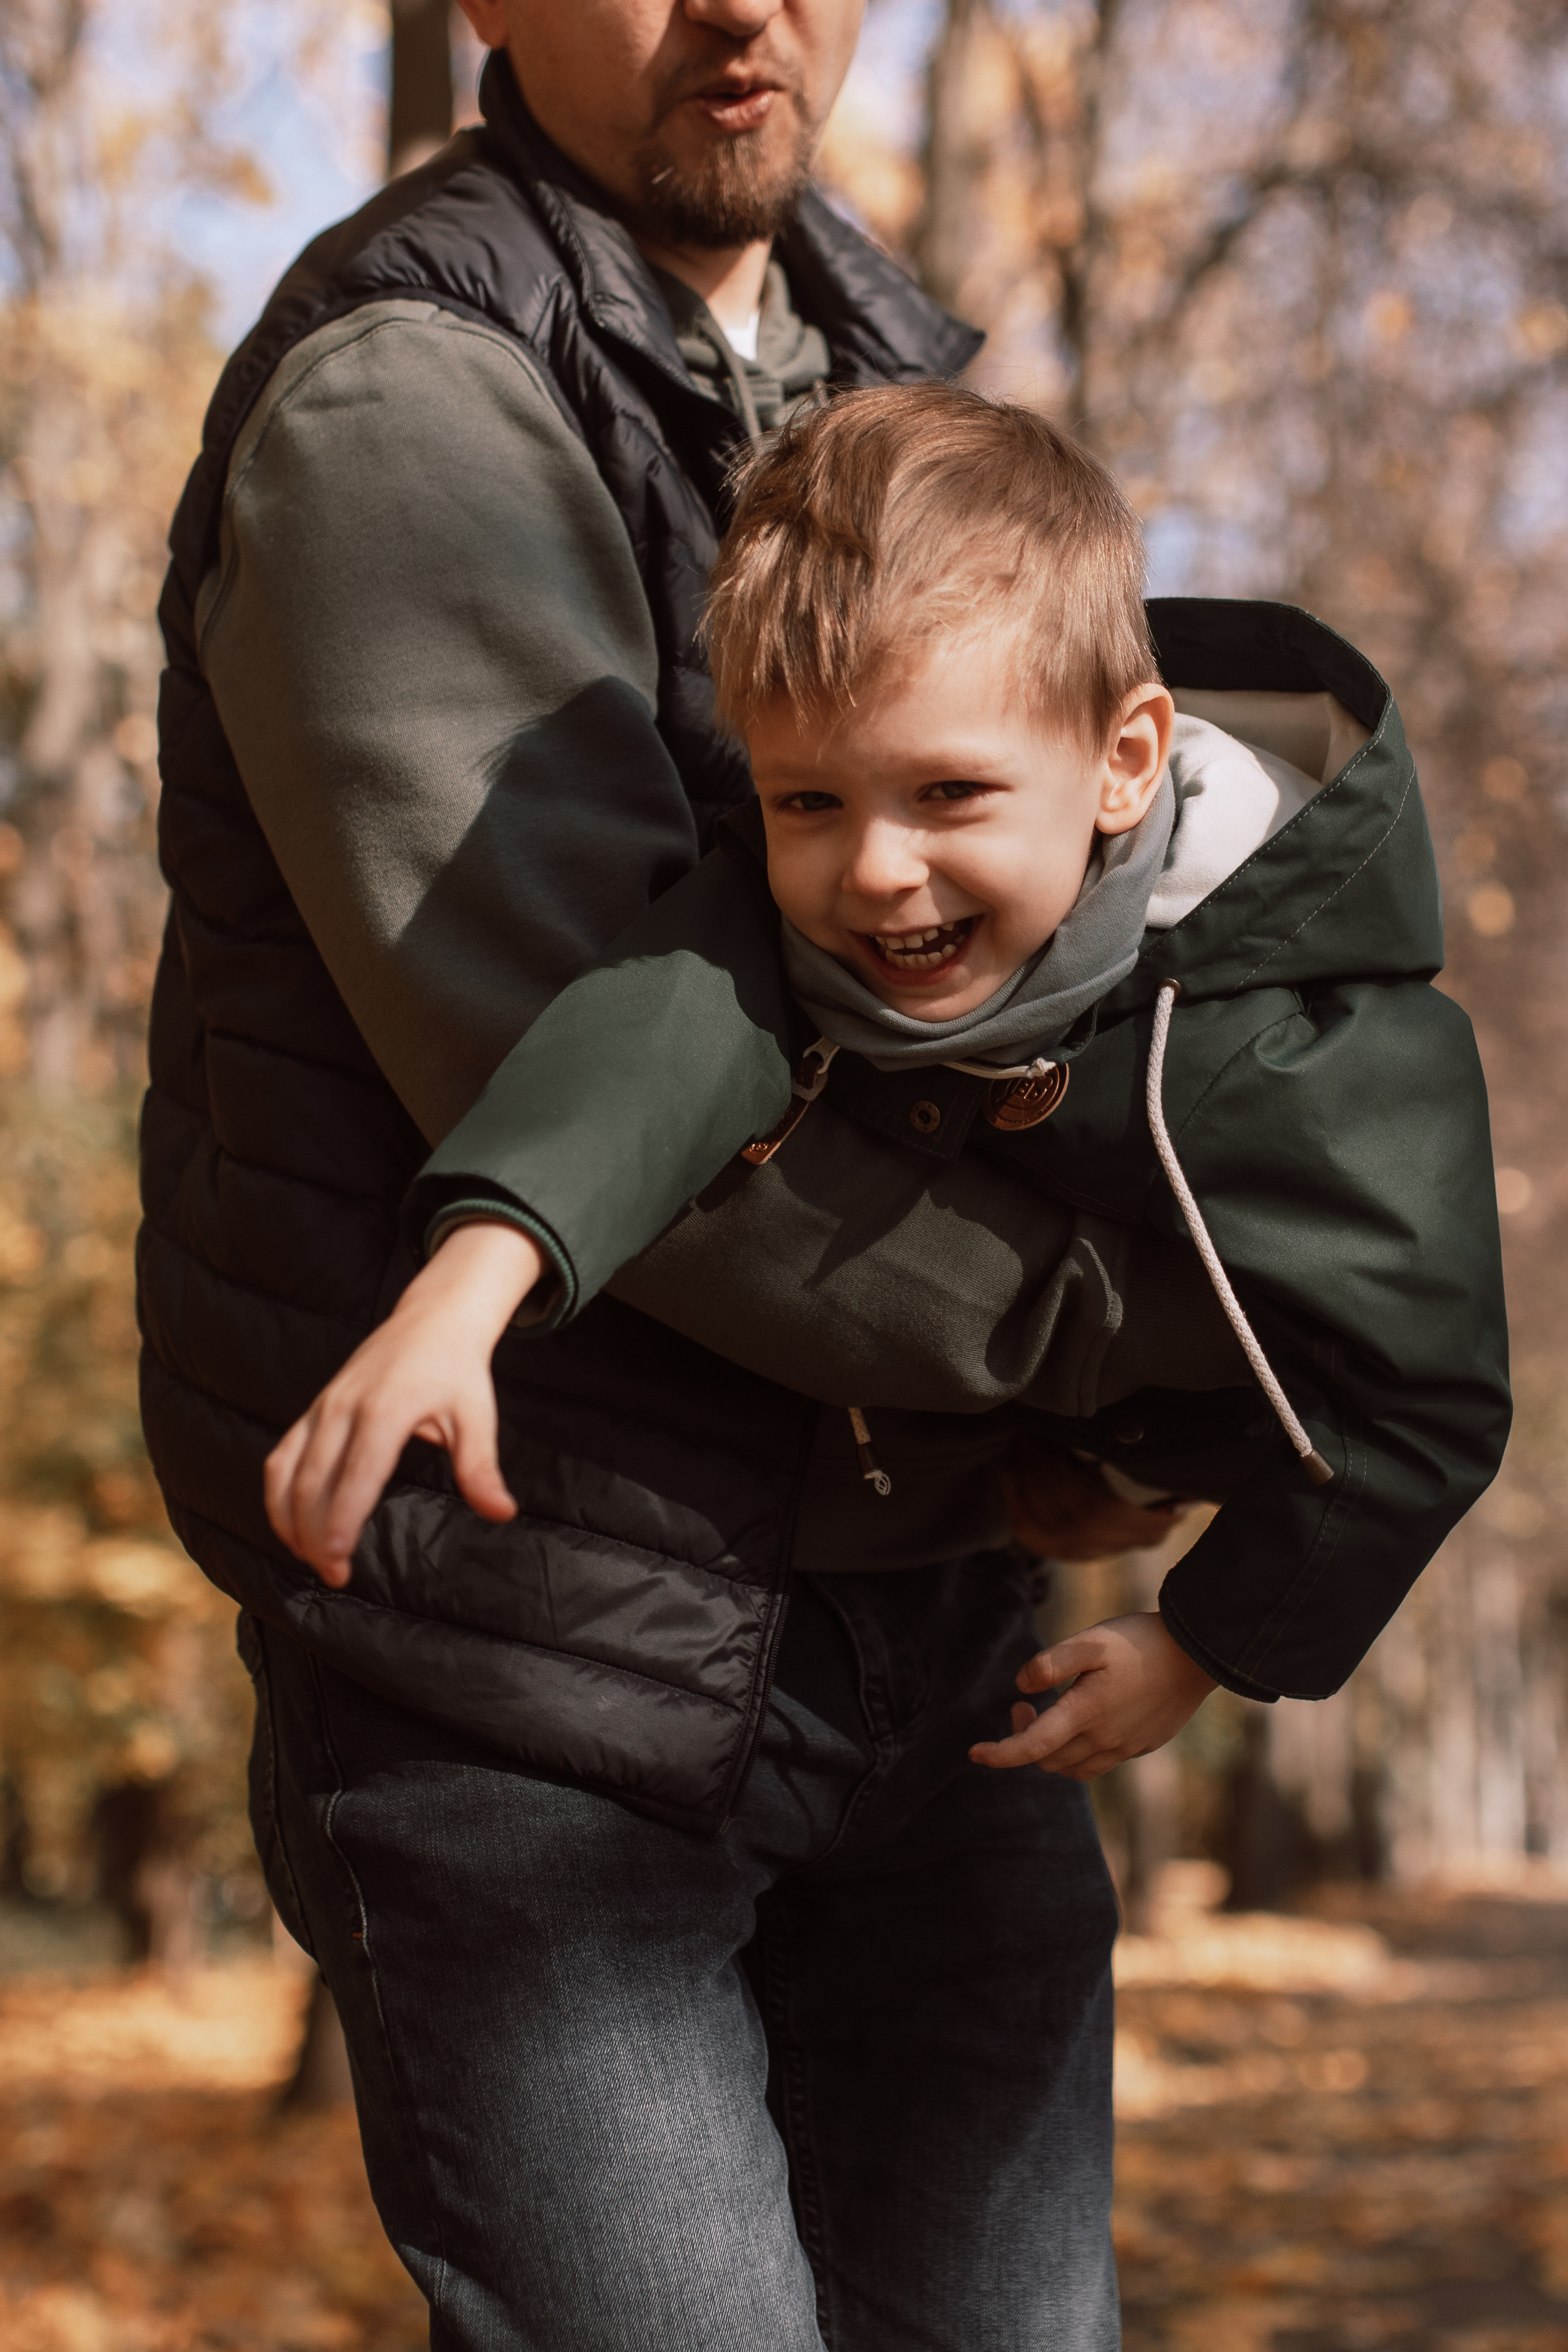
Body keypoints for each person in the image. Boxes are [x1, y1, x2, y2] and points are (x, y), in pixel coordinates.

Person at [140, 6, 1164, 2348]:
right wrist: (1119, 1344)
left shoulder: (895, 379)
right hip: (542, 1704)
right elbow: (614, 1070)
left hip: (933, 1659)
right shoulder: (409, 397)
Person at [266, 386, 1511, 1796]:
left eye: (947, 795)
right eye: (809, 802)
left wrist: (1207, 1643)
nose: (869, 871)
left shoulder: (1321, 1054)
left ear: (1122, 764)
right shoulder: (812, 908)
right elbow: (663, 1030)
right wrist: (465, 1287)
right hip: (931, 1496)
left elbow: (1423, 1400)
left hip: (1181, 1440)